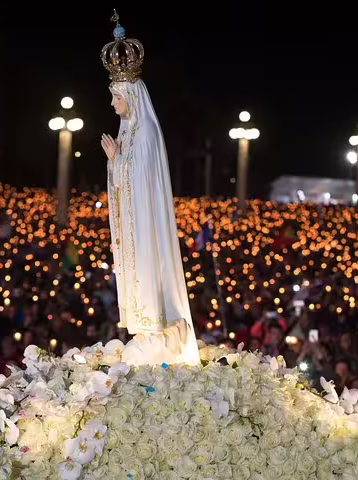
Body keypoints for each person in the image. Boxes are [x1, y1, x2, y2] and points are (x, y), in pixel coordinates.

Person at [99, 10, 198, 365]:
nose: (113, 103)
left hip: (147, 226)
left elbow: (141, 179)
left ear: (131, 95)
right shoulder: (129, 132)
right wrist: (115, 162)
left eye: (117, 97)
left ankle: (158, 320)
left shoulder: (147, 133)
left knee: (149, 273)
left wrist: (117, 161)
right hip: (132, 224)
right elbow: (124, 181)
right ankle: (144, 324)